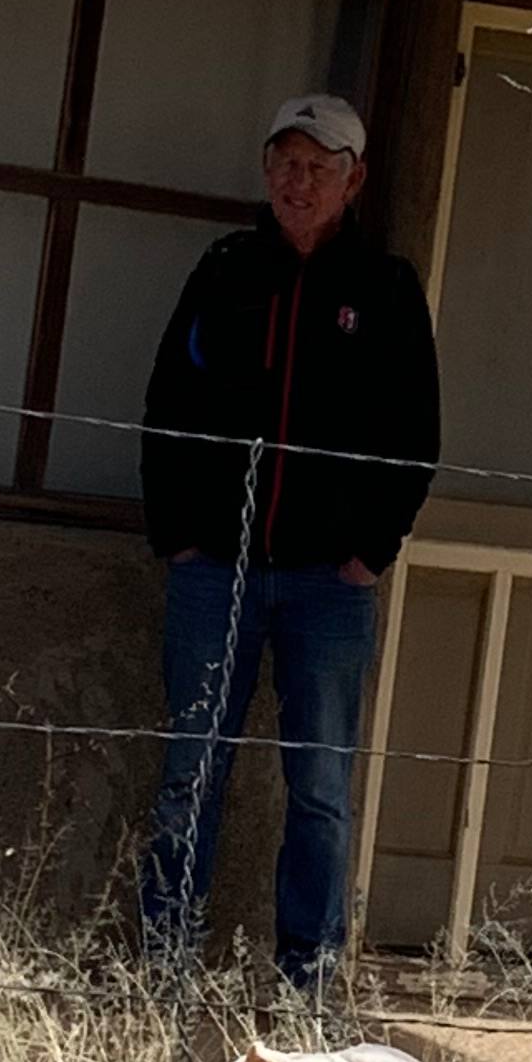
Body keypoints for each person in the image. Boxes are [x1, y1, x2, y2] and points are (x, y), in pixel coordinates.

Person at [137, 92, 440, 994]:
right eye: (286, 163)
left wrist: (370, 553)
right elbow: (165, 405)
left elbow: (417, 437)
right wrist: (178, 538)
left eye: (318, 167)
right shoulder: (227, 269)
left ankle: (307, 981)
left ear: (354, 180)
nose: (298, 182)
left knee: (320, 791)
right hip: (214, 574)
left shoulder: (385, 288)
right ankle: (164, 968)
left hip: (328, 586)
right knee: (190, 773)